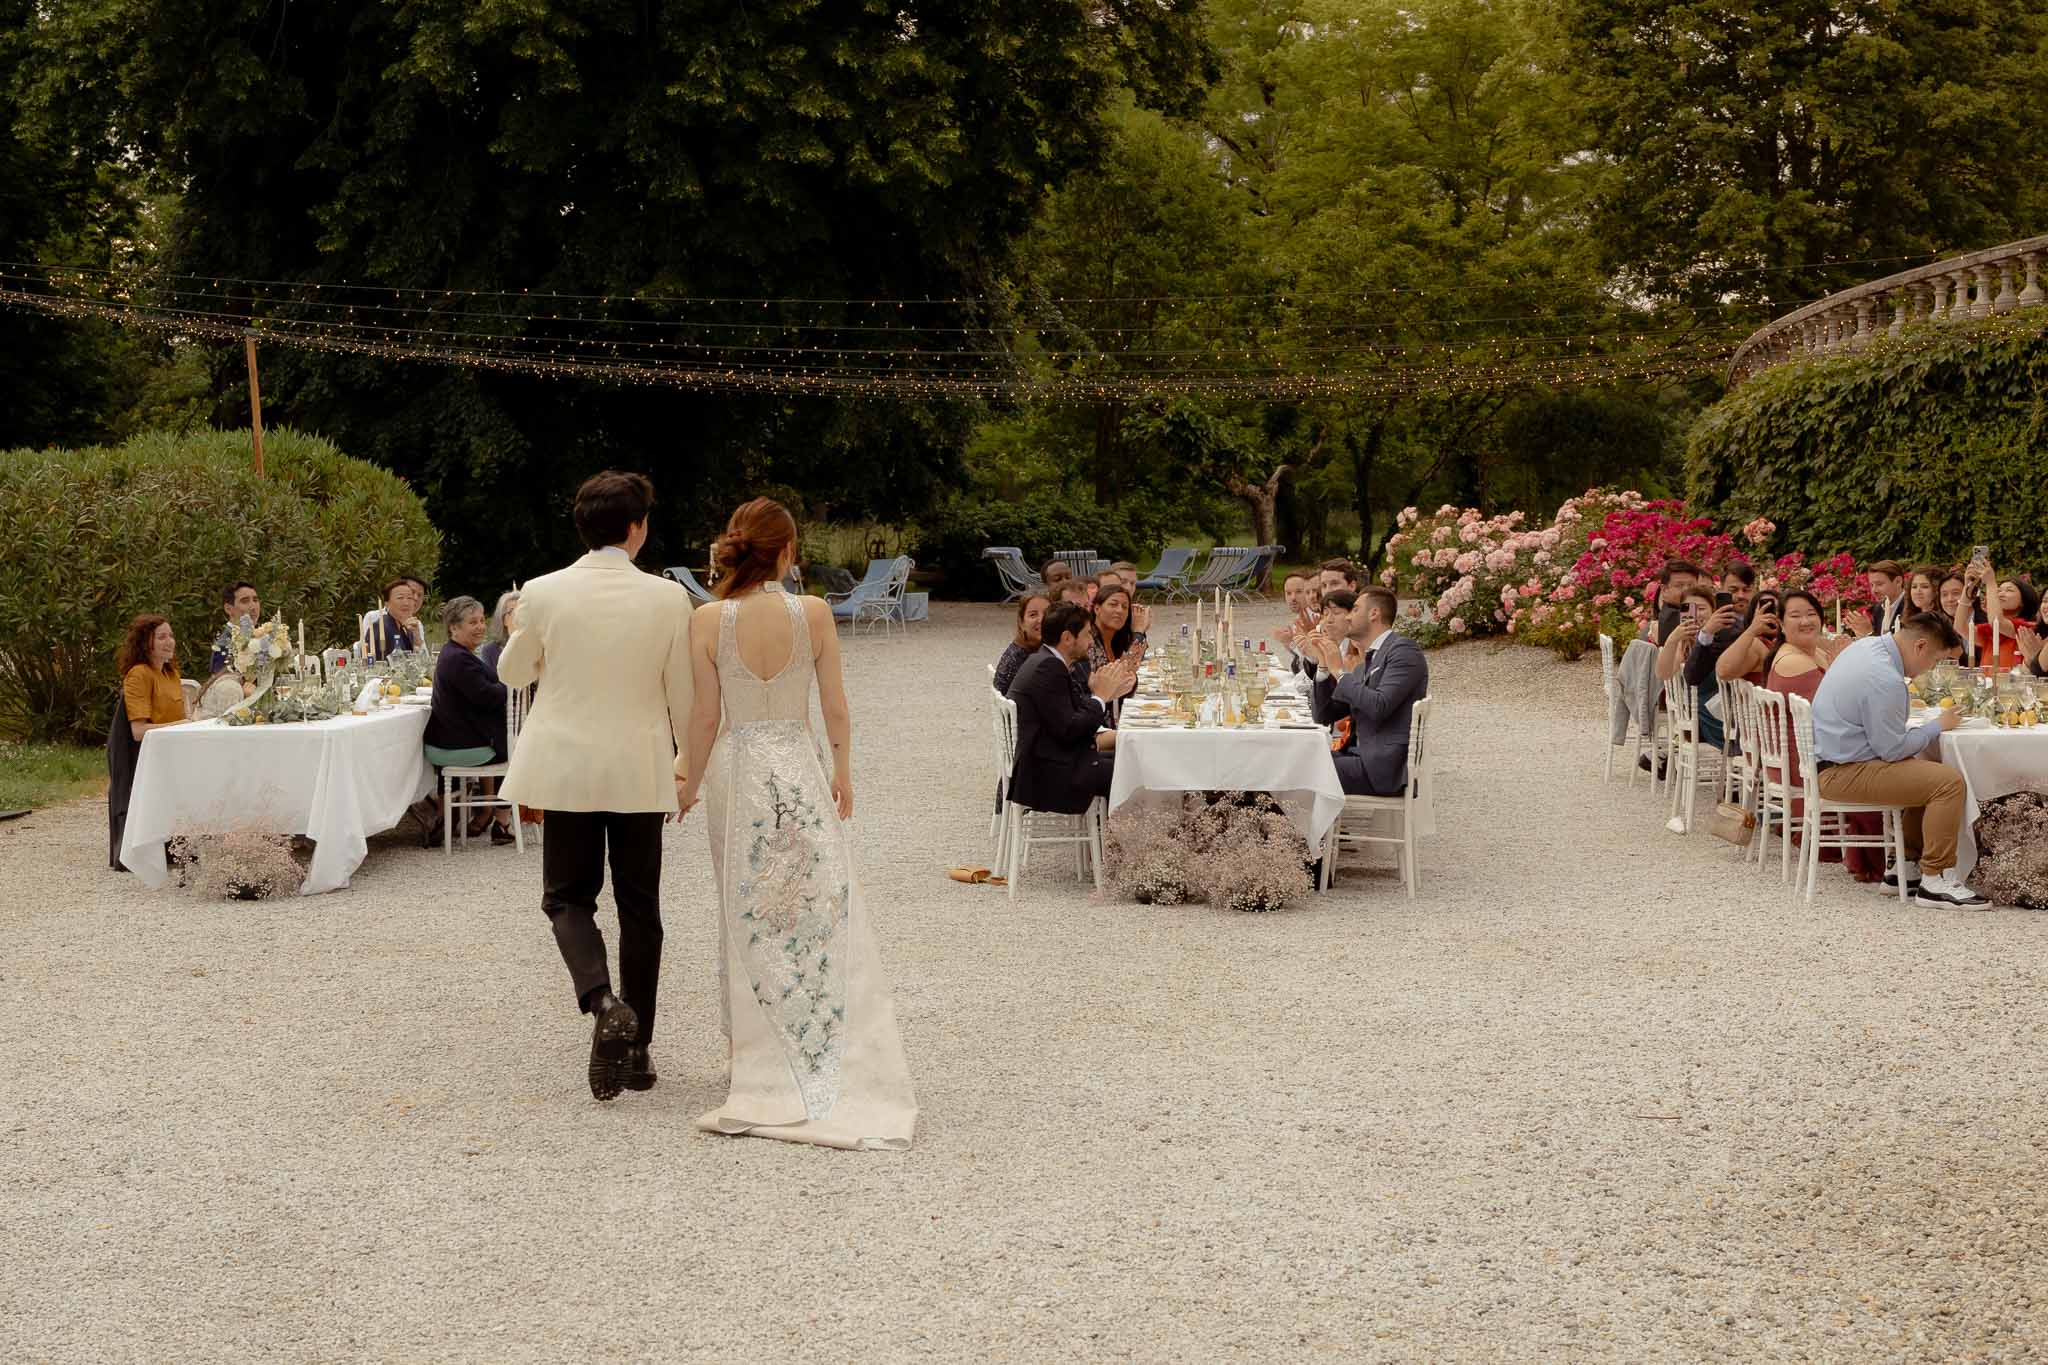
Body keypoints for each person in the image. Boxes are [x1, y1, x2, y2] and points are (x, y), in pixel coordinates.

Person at [675, 496, 917, 1149]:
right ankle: (817, 1035)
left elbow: (703, 719)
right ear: (786, 550)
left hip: (737, 765)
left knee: (744, 907)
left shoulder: (706, 619)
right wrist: (843, 772)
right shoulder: (811, 613)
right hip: (798, 763)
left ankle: (749, 1052)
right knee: (813, 904)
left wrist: (687, 783)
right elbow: (836, 707)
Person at [498, 471, 696, 1102]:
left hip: (567, 766)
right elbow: (682, 694)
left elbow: (512, 671)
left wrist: (523, 630)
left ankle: (603, 1000)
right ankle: (637, 1053)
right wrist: (688, 765)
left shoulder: (544, 591)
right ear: (636, 528)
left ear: (581, 527)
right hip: (640, 765)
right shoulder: (667, 599)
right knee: (642, 909)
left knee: (566, 898)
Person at [1811, 613, 1983, 908]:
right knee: (1947, 783)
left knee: (1926, 771)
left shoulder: (1866, 647)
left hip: (1833, 761)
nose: (1932, 669)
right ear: (1920, 647)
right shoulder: (1885, 678)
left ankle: (1905, 868)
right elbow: (1892, 751)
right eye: (1936, 661)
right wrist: (1937, 726)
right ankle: (1936, 879)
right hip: (1842, 773)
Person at [1763, 591, 1881, 882]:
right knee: (1887, 756)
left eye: (1811, 614)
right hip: (1805, 763)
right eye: (1795, 615)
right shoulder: (1794, 661)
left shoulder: (1806, 652)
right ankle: (1887, 857)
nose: (1805, 621)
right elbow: (1845, 705)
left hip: (1806, 753)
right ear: (1780, 623)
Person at [1006, 602, 1134, 814]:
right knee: (1136, 770)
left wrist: (1104, 694)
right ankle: (1133, 839)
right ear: (1067, 638)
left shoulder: (1043, 659)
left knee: (1130, 755)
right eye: (1086, 635)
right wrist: (1099, 698)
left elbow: (1065, 716)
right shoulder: (1049, 667)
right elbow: (1070, 731)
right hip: (1048, 775)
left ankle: (1118, 837)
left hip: (1047, 761)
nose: (1091, 641)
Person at [1301, 587, 1428, 796]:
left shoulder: (1403, 651)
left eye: (1355, 609)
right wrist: (1324, 666)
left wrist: (1339, 671)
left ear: (1374, 613)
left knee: (1297, 770)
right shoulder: (1367, 662)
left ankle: (1283, 827)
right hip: (1359, 757)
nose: (1349, 616)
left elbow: (1379, 706)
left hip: (1382, 769)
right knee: (1290, 759)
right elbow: (1324, 715)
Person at [422, 595, 515, 846]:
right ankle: (502, 823)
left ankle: (451, 816)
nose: (481, 627)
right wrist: (508, 683)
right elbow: (489, 697)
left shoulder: (456, 654)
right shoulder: (459, 659)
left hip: (448, 742)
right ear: (454, 627)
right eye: (472, 622)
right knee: (516, 750)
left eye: (481, 620)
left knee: (509, 740)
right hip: (456, 748)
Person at [108, 614, 187, 869]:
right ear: (146, 643)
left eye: (171, 636)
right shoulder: (139, 675)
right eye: (161, 637)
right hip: (143, 754)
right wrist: (181, 726)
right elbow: (139, 731)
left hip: (170, 751)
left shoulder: (170, 672)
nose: (169, 642)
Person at [1657, 586, 1736, 749]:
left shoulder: (1723, 637)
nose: (1696, 614)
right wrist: (1672, 640)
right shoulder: (1683, 642)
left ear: (1713, 611)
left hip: (1720, 709)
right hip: (1699, 718)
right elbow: (1663, 674)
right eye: (1689, 609)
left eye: (1701, 608)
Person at [1956, 557, 2038, 670]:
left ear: (2023, 601)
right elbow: (1960, 627)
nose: (2000, 594)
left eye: (2009, 590)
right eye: (1998, 590)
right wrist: (1968, 588)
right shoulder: (1990, 631)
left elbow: (1997, 622)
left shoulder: (2027, 628)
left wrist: (1990, 582)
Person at [1716, 590, 1785, 686]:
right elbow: (1723, 672)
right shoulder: (1755, 644)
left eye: (1777, 609)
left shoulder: (1784, 642)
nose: (1773, 614)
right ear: (1753, 615)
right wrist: (1753, 629)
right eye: (1765, 610)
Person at [993, 593, 1048, 695]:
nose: (1041, 620)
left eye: (1047, 613)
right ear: (1021, 623)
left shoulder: (1025, 649)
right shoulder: (1023, 659)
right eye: (1033, 615)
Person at [363, 576, 428, 660]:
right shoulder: (380, 626)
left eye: (409, 598)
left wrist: (417, 639)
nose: (406, 603)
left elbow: (421, 661)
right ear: (387, 603)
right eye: (400, 598)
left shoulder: (410, 626)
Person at [207, 582, 262, 674]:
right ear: (228, 609)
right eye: (245, 601)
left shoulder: (261, 636)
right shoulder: (223, 645)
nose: (253, 607)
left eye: (255, 600)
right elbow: (222, 684)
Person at [1648, 560, 1701, 645]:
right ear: (1664, 590)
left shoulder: (1686, 609)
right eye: (1679, 586)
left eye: (1691, 585)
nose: (1686, 590)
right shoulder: (1672, 616)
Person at [478, 590, 521, 673]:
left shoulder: (537, 645)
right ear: (503, 619)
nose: (519, 616)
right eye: (513, 612)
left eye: (522, 611)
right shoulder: (490, 651)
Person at [1865, 560, 1910, 635]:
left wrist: (1868, 633)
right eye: (1872, 585)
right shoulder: (1878, 609)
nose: (1874, 590)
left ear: (1898, 581)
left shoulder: (1911, 607)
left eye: (1879, 584)